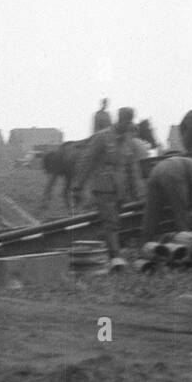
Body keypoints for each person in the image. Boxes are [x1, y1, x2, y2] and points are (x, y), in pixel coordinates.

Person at [71, 107, 146, 266]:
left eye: (130, 122)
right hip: (103, 187)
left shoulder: (127, 140)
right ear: (119, 120)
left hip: (120, 188)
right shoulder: (102, 137)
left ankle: (106, 250)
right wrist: (77, 187)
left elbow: (132, 167)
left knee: (115, 222)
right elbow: (86, 161)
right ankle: (116, 258)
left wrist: (138, 191)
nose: (128, 125)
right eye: (126, 121)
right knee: (110, 223)